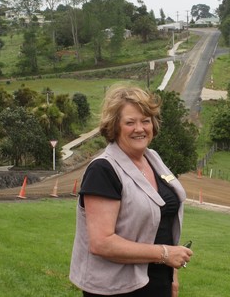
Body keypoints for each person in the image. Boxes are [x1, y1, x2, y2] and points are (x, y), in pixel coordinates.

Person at [70, 85, 193, 297]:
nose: (140, 128)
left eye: (145, 121)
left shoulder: (153, 159)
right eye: (130, 122)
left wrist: (172, 276)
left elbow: (162, 226)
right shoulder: (103, 170)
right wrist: (164, 254)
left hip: (157, 282)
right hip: (116, 288)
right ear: (115, 127)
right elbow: (102, 243)